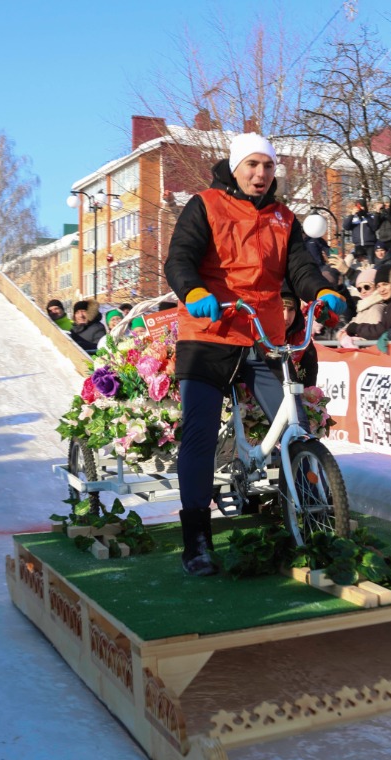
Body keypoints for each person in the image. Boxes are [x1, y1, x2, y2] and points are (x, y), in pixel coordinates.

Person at [163, 132, 345, 576]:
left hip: (263, 332)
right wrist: (194, 290)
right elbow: (179, 258)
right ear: (236, 166)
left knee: (293, 422)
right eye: (252, 165)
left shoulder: (285, 217)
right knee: (201, 434)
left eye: (267, 167)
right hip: (210, 329)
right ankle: (197, 541)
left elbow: (299, 267)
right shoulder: (204, 204)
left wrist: (321, 290)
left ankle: (309, 510)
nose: (261, 174)